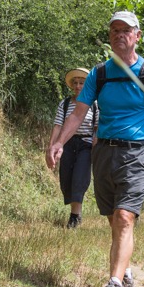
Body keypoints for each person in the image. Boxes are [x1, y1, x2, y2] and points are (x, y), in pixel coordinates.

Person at [46, 10, 144, 287]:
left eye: (126, 30)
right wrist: (58, 143)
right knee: (113, 218)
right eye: (115, 30)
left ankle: (115, 283)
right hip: (103, 152)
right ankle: (126, 270)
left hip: (138, 151)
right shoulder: (99, 74)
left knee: (123, 217)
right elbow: (78, 113)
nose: (120, 35)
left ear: (137, 36)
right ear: (110, 37)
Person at [49, 67, 98, 228]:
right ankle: (74, 212)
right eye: (75, 83)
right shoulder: (64, 104)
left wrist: (95, 147)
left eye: (82, 83)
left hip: (86, 145)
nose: (78, 86)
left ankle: (75, 216)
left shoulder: (94, 104)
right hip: (67, 144)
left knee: (79, 177)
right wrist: (52, 147)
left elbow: (97, 127)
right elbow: (57, 126)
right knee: (66, 178)